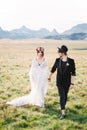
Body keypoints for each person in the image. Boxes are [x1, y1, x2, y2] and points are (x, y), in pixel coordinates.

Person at [48, 45, 76, 119]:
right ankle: (63, 113)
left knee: (65, 96)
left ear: (62, 52)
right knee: (62, 96)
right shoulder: (57, 60)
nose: (57, 52)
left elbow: (73, 73)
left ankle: (63, 106)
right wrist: (49, 77)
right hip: (59, 81)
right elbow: (53, 69)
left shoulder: (71, 61)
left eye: (59, 51)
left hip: (67, 82)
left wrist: (72, 83)